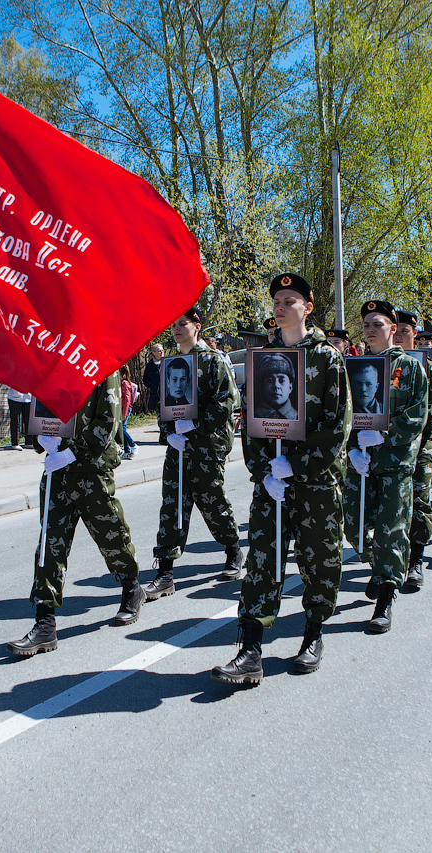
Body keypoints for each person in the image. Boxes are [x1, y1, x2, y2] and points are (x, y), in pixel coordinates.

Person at [213, 272, 349, 685]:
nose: (280, 305)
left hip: (316, 482)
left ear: (308, 308)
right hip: (272, 481)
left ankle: (313, 634)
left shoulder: (326, 358)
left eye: (290, 300)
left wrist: (299, 465)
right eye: (276, 300)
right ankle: (250, 648)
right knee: (262, 559)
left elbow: (337, 424)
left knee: (318, 560)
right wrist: (263, 470)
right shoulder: (263, 357)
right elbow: (251, 422)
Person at [8, 374, 144, 656]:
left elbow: (107, 420)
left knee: (111, 536)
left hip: (90, 469)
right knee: (50, 544)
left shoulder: (101, 364)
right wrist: (41, 439)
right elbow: (40, 408)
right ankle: (44, 623)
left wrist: (73, 452)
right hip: (57, 468)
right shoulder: (49, 361)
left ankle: (131, 586)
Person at [145, 306, 245, 600]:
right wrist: (169, 433)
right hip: (179, 446)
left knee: (212, 502)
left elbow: (228, 401)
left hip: (206, 446)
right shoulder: (170, 363)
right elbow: (163, 406)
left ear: (197, 325)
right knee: (172, 504)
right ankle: (165, 572)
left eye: (182, 323)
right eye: (173, 324)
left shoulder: (213, 361)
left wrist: (195, 425)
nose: (176, 329)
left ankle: (233, 551)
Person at [342, 300, 428, 634]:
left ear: (393, 329)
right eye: (366, 324)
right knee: (354, 525)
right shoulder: (354, 367)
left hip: (394, 463)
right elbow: (343, 414)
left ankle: (386, 597)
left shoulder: (408, 367)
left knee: (391, 530)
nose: (370, 329)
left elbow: (417, 415)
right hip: (362, 463)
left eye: (378, 324)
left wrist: (385, 433)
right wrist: (352, 449)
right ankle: (379, 568)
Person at [406, 329, 432, 587]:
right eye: (395, 330)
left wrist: (413, 427)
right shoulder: (385, 366)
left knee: (419, 497)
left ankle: (416, 559)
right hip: (387, 445)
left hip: (421, 443)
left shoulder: (429, 368)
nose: (399, 336)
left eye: (404, 332)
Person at [253, 352, 299, 420]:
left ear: (290, 387)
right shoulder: (253, 415)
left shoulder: (297, 417)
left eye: (281, 380)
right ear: (263, 386)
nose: (276, 386)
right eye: (270, 380)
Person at [118, 365, 138, 459]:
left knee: (121, 428)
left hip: (125, 408)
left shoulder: (125, 383)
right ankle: (127, 450)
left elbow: (127, 399)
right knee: (123, 428)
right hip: (120, 408)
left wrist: (124, 413)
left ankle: (133, 445)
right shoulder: (119, 382)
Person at [5, 385, 32, 450]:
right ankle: (15, 443)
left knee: (28, 420)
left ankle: (29, 442)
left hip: (28, 398)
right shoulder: (12, 374)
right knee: (15, 420)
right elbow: (5, 383)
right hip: (14, 398)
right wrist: (11, 385)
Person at [142, 343, 164, 410]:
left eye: (162, 350)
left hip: (167, 394)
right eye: (159, 351)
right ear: (153, 352)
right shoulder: (149, 366)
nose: (161, 353)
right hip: (155, 396)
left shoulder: (167, 362)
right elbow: (145, 379)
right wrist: (152, 385)